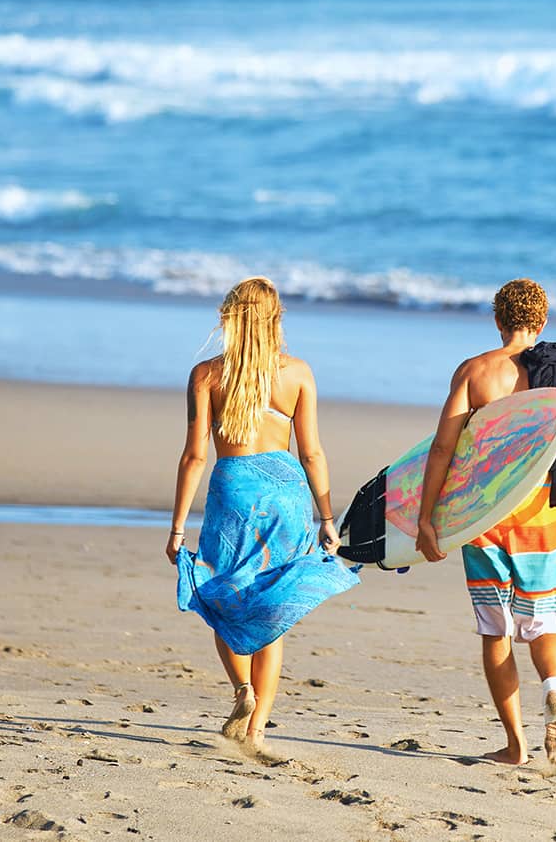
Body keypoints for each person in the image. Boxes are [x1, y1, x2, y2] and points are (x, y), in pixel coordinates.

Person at [416, 278, 556, 766]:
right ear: (542, 321)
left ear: (498, 319)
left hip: (482, 516)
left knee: (496, 628)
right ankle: (553, 689)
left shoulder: (474, 372)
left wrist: (425, 516)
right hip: (539, 514)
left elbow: (444, 447)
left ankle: (515, 745)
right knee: (544, 622)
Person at [166, 276, 358, 753]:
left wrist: (176, 527)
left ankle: (242, 691)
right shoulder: (297, 374)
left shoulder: (207, 374)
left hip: (232, 489)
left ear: (229, 318)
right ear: (276, 320)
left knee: (219, 597)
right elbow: (312, 453)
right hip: (284, 492)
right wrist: (328, 518)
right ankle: (257, 734)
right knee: (272, 608)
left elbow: (194, 456)